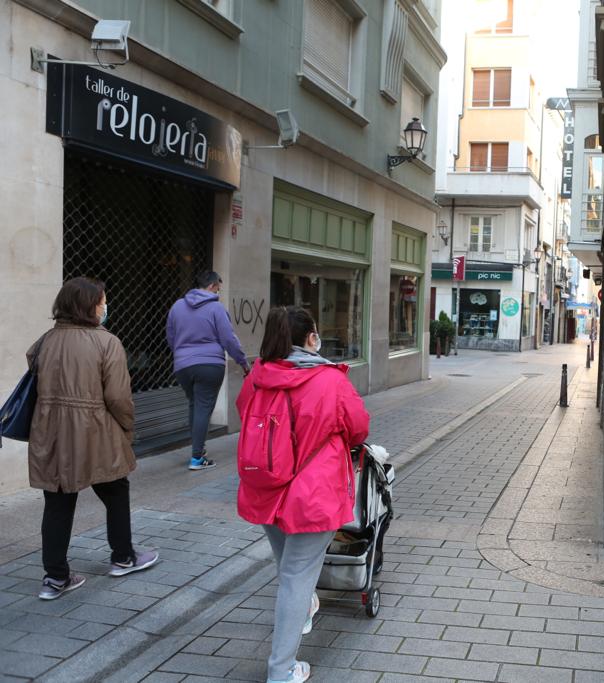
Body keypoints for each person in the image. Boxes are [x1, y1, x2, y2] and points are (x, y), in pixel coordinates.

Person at [236, 306, 369, 683]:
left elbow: (244, 412)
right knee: (296, 575)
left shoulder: (258, 376)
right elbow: (358, 428)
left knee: (289, 568)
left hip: (264, 487)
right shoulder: (330, 380)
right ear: (312, 338)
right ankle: (281, 671)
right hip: (313, 492)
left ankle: (306, 605)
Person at [28, 277, 159, 601]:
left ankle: (55, 577)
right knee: (115, 489)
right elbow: (118, 396)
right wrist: (127, 427)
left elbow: (34, 371)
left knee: (57, 499)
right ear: (89, 306)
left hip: (52, 431)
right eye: (102, 301)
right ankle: (123, 557)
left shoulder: (46, 340)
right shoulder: (106, 342)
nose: (105, 306)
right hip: (95, 430)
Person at [166, 270, 250, 471]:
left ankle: (198, 449)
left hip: (183, 365)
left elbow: (170, 335)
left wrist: (181, 354)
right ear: (212, 285)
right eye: (218, 288)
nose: (219, 292)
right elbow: (229, 339)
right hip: (210, 365)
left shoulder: (177, 306)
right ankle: (196, 457)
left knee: (195, 405)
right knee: (203, 407)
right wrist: (243, 362)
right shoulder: (216, 308)